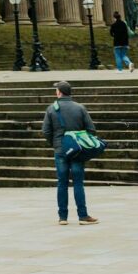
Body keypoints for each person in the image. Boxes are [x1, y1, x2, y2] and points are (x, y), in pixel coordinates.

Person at [42, 82, 99, 226]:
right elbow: (91, 129)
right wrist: (79, 140)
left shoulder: (51, 109)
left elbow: (46, 132)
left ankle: (63, 217)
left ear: (59, 92)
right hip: (77, 150)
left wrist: (56, 144)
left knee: (62, 183)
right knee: (78, 182)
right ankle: (83, 216)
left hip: (60, 150)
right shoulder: (80, 108)